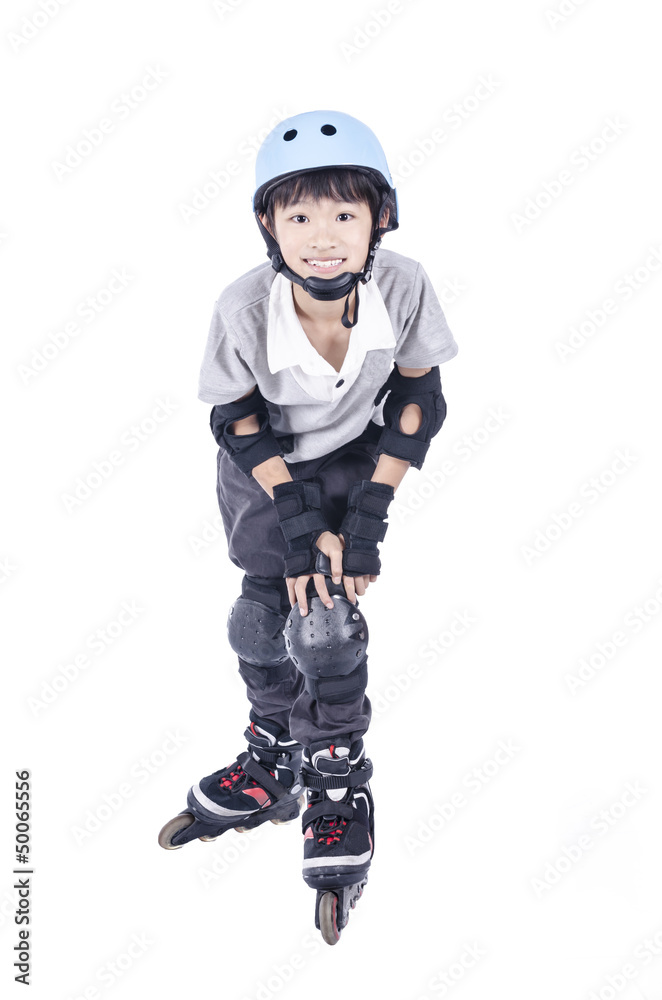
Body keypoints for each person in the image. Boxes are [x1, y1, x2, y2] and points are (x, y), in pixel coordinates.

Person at [160, 109, 457, 938]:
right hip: (264, 471)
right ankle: (274, 755)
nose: (322, 236)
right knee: (259, 622)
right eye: (298, 215)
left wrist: (364, 521)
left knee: (324, 626)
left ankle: (335, 778)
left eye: (343, 214)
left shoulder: (403, 284)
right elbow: (238, 419)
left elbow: (417, 401)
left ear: (379, 220)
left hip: (354, 461)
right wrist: (297, 524)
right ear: (268, 224)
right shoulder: (243, 305)